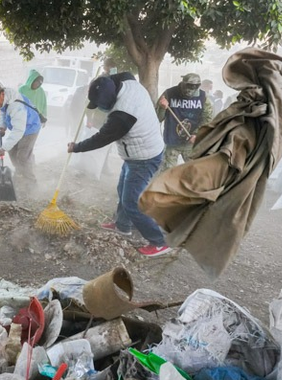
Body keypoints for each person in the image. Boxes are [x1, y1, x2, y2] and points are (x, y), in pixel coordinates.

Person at [68, 73, 171, 257]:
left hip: (144, 157)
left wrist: (77, 147)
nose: (99, 108)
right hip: (136, 153)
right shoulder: (126, 81)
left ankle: (159, 242)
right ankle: (122, 225)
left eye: (100, 105)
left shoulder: (122, 114)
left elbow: (102, 138)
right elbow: (118, 75)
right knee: (123, 187)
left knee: (131, 201)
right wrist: (99, 81)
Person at [156, 73, 214, 170]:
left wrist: (197, 134)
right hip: (172, 142)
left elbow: (208, 119)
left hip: (192, 144)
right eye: (188, 88)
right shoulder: (169, 94)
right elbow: (158, 118)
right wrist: (162, 108)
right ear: (182, 84)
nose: (190, 92)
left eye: (194, 89)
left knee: (196, 173)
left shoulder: (203, 97)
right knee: (167, 173)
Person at [0, 84, 42, 187]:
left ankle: (31, 182)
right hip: (20, 127)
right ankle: (20, 173)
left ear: (2, 94)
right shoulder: (5, 100)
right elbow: (3, 113)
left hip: (30, 127)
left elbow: (18, 131)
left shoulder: (16, 106)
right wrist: (1, 126)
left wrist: (3, 148)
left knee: (22, 156)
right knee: (12, 151)